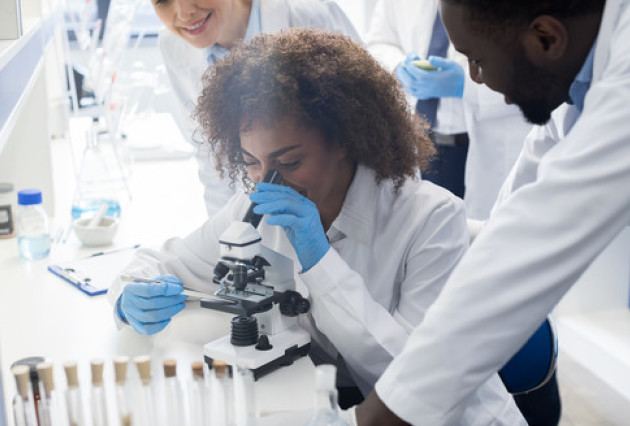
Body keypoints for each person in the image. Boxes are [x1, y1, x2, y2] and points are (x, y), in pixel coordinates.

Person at [107, 29, 525, 422]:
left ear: (344, 139)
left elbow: (410, 378)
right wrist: (129, 296)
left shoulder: (432, 219)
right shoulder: (255, 210)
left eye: (289, 162)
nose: (268, 180)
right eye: (251, 162)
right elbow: (161, 262)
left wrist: (319, 261)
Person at [353, 0, 627, 424]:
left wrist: (378, 416)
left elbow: (530, 246)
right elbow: (522, 201)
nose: (475, 76)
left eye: (477, 60)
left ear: (546, 39)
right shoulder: (579, 76)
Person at [152, 0, 360, 216]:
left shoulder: (308, 15)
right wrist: (227, 237)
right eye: (162, 0)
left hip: (345, 213)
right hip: (259, 216)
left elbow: (368, 126)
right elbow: (210, 158)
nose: (185, 13)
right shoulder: (173, 45)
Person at [366, 0, 533, 220]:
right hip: (418, 142)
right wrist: (398, 68)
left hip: (483, 147)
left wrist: (466, 84)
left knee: (480, 234)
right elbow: (378, 41)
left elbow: (534, 70)